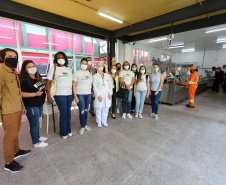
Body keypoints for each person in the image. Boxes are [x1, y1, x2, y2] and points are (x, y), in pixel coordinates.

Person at [0, 48, 31, 173]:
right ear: (2, 58)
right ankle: (8, 162)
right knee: (9, 136)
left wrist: (22, 106)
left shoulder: (13, 72)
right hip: (8, 110)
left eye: (15, 56)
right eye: (10, 56)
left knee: (15, 132)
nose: (14, 58)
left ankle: (16, 151)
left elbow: (17, 93)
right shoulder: (1, 72)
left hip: (17, 108)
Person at [20, 60, 48, 148]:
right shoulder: (24, 80)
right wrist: (35, 94)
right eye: (29, 67)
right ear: (25, 69)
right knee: (34, 123)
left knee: (36, 121)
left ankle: (38, 137)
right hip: (31, 105)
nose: (32, 68)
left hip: (39, 104)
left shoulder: (37, 77)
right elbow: (21, 93)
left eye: (33, 66)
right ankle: (36, 142)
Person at [46, 51, 73, 139]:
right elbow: (48, 83)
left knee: (68, 113)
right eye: (59, 58)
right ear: (56, 60)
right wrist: (48, 95)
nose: (61, 59)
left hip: (69, 93)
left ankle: (68, 130)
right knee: (64, 113)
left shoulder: (68, 69)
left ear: (65, 59)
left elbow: (70, 81)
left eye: (62, 57)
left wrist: (72, 92)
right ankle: (63, 132)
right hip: (59, 94)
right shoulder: (53, 68)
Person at [72, 58, 92, 135]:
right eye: (82, 63)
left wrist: (92, 92)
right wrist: (75, 96)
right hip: (80, 94)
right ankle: (83, 126)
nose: (84, 65)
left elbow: (90, 84)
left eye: (85, 64)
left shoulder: (89, 73)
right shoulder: (77, 73)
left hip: (88, 94)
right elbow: (74, 86)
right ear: (80, 64)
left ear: (87, 65)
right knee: (82, 110)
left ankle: (84, 124)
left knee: (86, 110)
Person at [93, 61, 112, 127]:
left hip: (107, 95)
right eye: (99, 65)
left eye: (102, 65)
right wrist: (98, 95)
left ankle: (104, 121)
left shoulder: (107, 75)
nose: (101, 67)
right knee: (99, 109)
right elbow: (95, 86)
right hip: (100, 95)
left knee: (106, 108)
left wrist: (110, 93)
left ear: (103, 67)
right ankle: (99, 122)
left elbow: (110, 85)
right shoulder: (95, 76)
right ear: (97, 67)